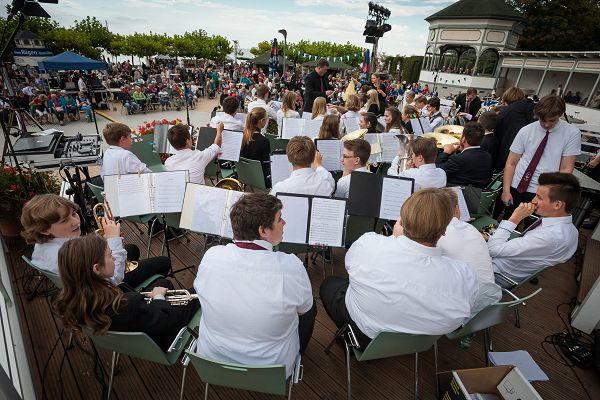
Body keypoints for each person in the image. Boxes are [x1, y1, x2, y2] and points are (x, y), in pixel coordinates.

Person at [319, 189, 479, 349]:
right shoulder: (464, 275)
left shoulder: (369, 244)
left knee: (330, 284)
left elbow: (350, 265)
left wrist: (394, 239)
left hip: (365, 332)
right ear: (444, 230)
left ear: (401, 221)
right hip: (421, 343)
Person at [194, 193, 315, 377]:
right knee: (310, 309)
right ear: (263, 231)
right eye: (279, 219)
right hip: (272, 370)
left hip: (212, 361)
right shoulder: (291, 267)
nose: (284, 223)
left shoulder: (212, 256)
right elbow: (304, 309)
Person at [54, 235, 199, 351]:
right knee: (200, 292)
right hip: (164, 335)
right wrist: (159, 298)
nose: (114, 258)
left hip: (130, 336)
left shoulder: (73, 303)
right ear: (97, 269)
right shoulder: (128, 304)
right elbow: (165, 320)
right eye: (110, 256)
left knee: (164, 283)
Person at [21, 194, 171, 290]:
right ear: (45, 230)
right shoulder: (65, 256)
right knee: (164, 262)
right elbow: (113, 280)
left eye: (74, 214)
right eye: (65, 220)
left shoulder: (43, 245)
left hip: (85, 280)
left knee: (132, 249)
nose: (75, 222)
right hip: (108, 287)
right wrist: (114, 241)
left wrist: (105, 240)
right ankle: (147, 289)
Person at [488, 172, 580, 286]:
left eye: (539, 197)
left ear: (557, 205)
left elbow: (493, 250)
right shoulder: (572, 231)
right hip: (506, 260)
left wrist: (514, 219)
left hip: (495, 273)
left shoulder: (549, 237)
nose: (533, 201)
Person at [501, 95, 580, 213]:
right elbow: (511, 163)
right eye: (543, 121)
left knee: (534, 227)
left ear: (560, 114)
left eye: (552, 120)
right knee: (510, 221)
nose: (547, 125)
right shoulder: (526, 130)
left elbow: (566, 169)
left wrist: (545, 194)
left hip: (546, 191)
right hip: (518, 185)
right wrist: (506, 190)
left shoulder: (571, 133)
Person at [437, 188, 501, 311]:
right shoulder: (471, 229)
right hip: (488, 303)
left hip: (460, 308)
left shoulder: (438, 233)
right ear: (457, 209)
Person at [271, 136, 335, 197]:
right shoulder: (326, 182)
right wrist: (318, 165)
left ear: (288, 159)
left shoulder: (279, 189)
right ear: (313, 158)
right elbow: (326, 176)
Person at [436, 122, 492, 189]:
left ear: (463, 139)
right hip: (478, 192)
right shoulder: (488, 156)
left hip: (459, 192)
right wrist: (462, 150)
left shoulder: (458, 159)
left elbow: (438, 172)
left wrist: (446, 153)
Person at [493, 87, 535, 170]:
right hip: (527, 156)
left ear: (507, 98)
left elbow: (497, 135)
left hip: (507, 154)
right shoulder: (532, 110)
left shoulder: (506, 112)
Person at [240, 107, 271, 186]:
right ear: (262, 121)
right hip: (260, 179)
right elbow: (266, 165)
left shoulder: (242, 136)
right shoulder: (264, 141)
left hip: (243, 175)